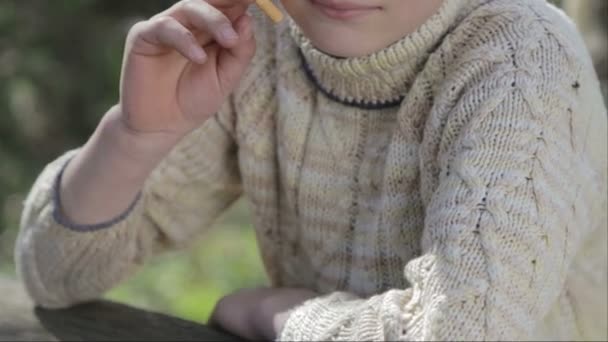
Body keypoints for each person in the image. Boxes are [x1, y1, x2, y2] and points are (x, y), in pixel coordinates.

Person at [15, 0, 607, 340]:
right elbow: (56, 277)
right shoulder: (259, 38)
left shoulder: (522, 59)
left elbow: (459, 333)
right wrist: (135, 136)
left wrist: (273, 313)